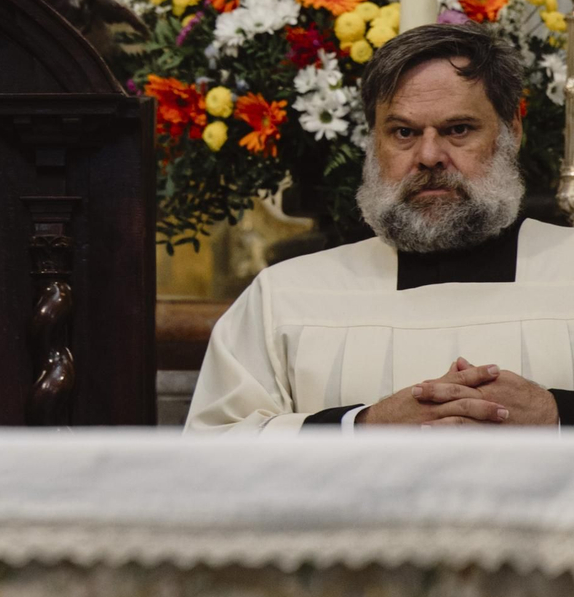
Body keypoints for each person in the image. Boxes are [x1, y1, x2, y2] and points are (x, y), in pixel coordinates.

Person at [187, 22, 574, 433]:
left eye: (458, 129)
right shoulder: (285, 298)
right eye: (403, 132)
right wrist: (360, 427)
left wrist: (558, 416)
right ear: (374, 142)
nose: (429, 156)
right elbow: (212, 453)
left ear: (511, 132)